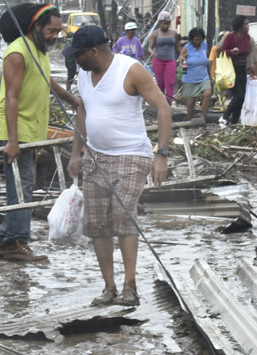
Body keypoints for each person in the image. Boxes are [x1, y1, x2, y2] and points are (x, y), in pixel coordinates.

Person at [65, 25, 172, 308]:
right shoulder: (84, 76)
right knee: (98, 223)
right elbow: (83, 112)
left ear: (94, 51)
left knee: (123, 216)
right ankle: (109, 287)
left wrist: (162, 153)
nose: (75, 60)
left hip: (131, 154)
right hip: (97, 156)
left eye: (78, 54)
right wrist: (77, 153)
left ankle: (130, 286)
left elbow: (163, 107)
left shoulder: (131, 69)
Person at [0, 3, 84, 263]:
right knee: (21, 186)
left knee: (24, 185)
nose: (55, 36)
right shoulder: (17, 53)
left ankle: (7, 240)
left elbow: (48, 81)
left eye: (58, 31)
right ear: (36, 27)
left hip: (30, 129)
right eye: (51, 30)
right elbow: (10, 98)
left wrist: (72, 100)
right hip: (14, 127)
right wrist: (11, 141)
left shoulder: (39, 51)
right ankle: (15, 241)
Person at [220, 15, 257, 125]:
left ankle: (234, 122)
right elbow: (222, 51)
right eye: (245, 24)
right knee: (238, 95)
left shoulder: (248, 38)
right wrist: (231, 52)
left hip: (243, 68)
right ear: (240, 26)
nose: (248, 26)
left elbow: (249, 54)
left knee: (242, 99)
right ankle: (224, 116)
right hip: (232, 68)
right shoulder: (230, 37)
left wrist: (252, 67)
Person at [178, 27, 212, 122]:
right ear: (192, 39)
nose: (198, 41)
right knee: (191, 102)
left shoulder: (204, 46)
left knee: (207, 94)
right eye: (196, 39)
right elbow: (181, 57)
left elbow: (206, 61)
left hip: (203, 76)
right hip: (190, 78)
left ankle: (203, 116)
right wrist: (181, 60)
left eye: (200, 39)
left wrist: (210, 76)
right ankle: (190, 120)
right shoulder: (187, 48)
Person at [148, 11, 180, 103]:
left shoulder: (174, 34)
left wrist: (182, 57)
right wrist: (152, 52)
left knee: (169, 83)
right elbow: (150, 47)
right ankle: (160, 103)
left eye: (167, 23)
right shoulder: (155, 34)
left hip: (170, 61)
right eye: (163, 23)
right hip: (158, 61)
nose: (165, 26)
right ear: (159, 23)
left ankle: (168, 102)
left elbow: (177, 48)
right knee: (160, 84)